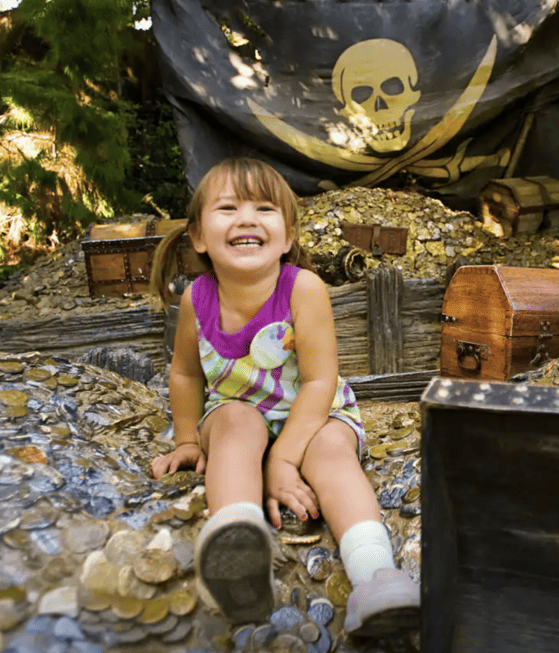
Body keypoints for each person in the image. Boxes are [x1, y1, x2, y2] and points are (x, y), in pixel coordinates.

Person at [148, 157, 420, 636]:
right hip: (239, 412)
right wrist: (188, 439)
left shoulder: (304, 288)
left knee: (333, 452)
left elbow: (319, 381)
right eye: (229, 207)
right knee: (235, 425)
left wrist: (282, 461)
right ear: (197, 236)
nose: (247, 219)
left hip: (314, 412)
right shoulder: (197, 298)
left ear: (289, 235)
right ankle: (240, 545)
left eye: (264, 208)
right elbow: (186, 374)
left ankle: (376, 576)